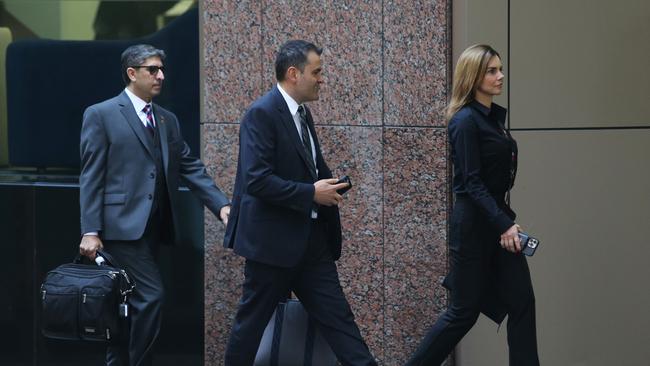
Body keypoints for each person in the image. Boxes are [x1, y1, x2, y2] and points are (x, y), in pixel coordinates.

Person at [223, 40, 377, 366]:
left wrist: (331, 185)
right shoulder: (261, 114)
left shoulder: (303, 115)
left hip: (311, 244)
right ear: (293, 73)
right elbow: (256, 179)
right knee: (250, 327)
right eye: (317, 72)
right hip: (271, 247)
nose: (322, 79)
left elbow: (312, 168)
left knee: (340, 322)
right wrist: (311, 193)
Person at [78, 44, 230, 366]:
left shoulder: (166, 120)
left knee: (126, 303)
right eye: (152, 69)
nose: (160, 76)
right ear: (132, 73)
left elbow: (189, 166)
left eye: (161, 69)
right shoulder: (101, 114)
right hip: (118, 230)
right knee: (152, 296)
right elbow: (92, 176)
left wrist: (221, 206)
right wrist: (90, 230)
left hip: (154, 230)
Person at [405, 44, 539, 365]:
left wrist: (503, 222)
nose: (500, 76)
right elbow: (471, 183)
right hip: (475, 228)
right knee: (463, 313)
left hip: (497, 222)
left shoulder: (492, 119)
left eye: (500, 69)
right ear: (473, 75)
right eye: (491, 71)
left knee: (522, 302)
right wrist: (503, 224)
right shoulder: (465, 121)